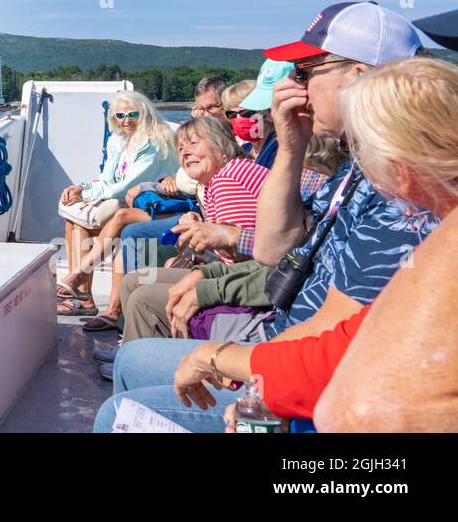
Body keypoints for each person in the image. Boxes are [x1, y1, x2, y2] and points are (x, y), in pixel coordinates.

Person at [93, 2, 434, 433]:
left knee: (115, 415)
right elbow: (275, 250)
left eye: (307, 72)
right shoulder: (356, 169)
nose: (296, 86)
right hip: (282, 338)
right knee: (131, 359)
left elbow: (333, 335)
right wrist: (292, 145)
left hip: (314, 386)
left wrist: (235, 366)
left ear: (360, 77)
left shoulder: (402, 191)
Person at [168, 58, 458, 432]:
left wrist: (243, 374)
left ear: (399, 169)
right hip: (286, 348)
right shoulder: (433, 222)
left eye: (364, 148)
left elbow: (347, 358)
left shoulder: (413, 220)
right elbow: (285, 261)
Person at [81, 114, 265, 337]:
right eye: (180, 148)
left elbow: (243, 254)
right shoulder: (216, 181)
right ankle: (132, 347)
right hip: (237, 269)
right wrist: (199, 230)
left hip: (252, 278)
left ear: (222, 145)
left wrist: (199, 247)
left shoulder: (229, 179)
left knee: (143, 297)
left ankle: (141, 360)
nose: (185, 152)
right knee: (132, 282)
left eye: (194, 143)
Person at [54, 91, 175, 316]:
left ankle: (84, 289)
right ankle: (84, 297)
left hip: (150, 203)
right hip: (124, 201)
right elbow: (108, 179)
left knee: (111, 224)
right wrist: (82, 189)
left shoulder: (154, 144)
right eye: (120, 115)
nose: (126, 120)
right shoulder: (118, 141)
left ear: (145, 114)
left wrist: (87, 194)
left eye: (132, 114)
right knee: (76, 222)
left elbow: (125, 185)